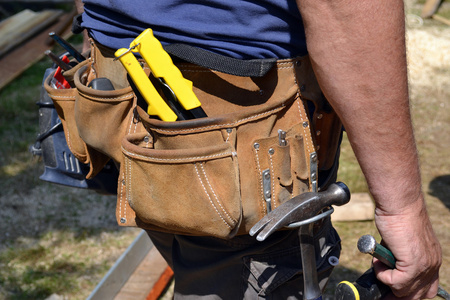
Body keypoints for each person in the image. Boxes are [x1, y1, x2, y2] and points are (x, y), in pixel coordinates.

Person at [73, 1, 442, 299]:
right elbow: (343, 10)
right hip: (242, 122)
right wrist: (402, 210)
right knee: (231, 272)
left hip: (113, 80)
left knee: (202, 262)